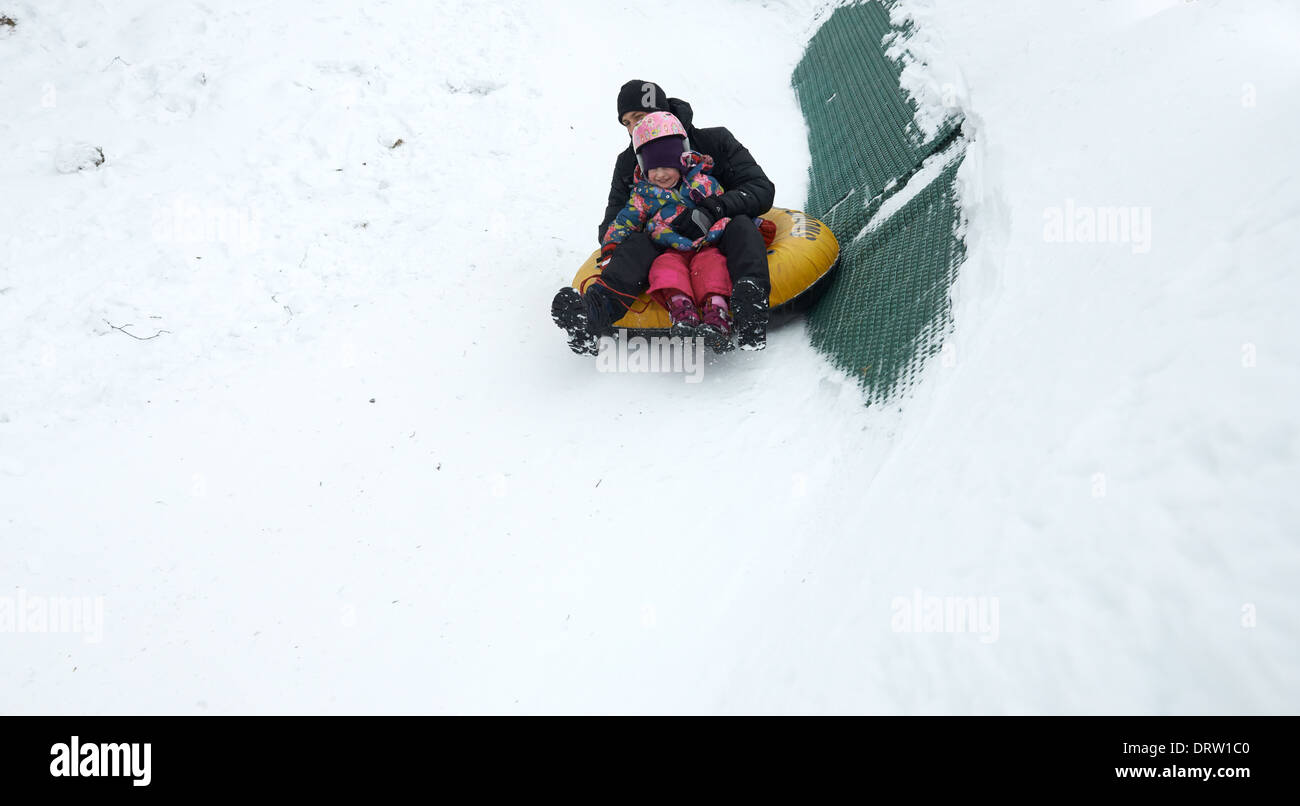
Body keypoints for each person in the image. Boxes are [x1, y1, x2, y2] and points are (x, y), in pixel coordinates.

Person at [553, 80, 774, 354]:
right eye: (626, 122)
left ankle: (749, 304)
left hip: (720, 232)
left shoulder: (714, 141)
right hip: (667, 244)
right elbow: (615, 221)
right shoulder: (630, 162)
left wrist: (712, 209)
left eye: (640, 118)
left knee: (742, 225)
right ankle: (594, 315)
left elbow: (761, 190)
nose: (633, 128)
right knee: (637, 246)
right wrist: (657, 224)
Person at [601, 111, 735, 352]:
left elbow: (724, 207)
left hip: (706, 244)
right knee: (664, 269)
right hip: (670, 248)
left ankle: (717, 316)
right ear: (643, 168)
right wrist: (611, 244)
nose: (660, 174)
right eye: (653, 168)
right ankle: (682, 314)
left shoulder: (701, 183)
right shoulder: (643, 195)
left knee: (712, 267)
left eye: (667, 166)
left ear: (681, 162)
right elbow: (625, 221)